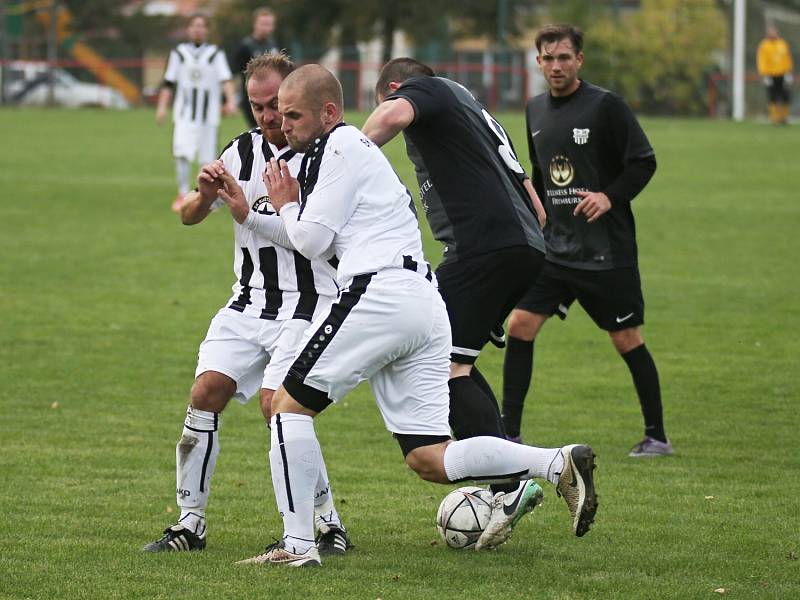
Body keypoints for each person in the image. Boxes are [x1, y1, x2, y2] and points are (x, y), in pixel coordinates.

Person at [233, 64, 597, 567]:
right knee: (429, 456)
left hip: (379, 293)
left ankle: (297, 547)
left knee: (286, 407)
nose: (281, 122)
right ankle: (555, 463)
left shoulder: (340, 147)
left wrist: (285, 204)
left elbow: (311, 240)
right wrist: (253, 214)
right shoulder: (342, 156)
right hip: (421, 301)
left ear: (330, 112)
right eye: (277, 113)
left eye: (292, 114)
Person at [143, 53, 351, 556]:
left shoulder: (329, 158)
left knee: (276, 407)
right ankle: (190, 522)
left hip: (308, 304)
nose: (266, 117)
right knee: (205, 392)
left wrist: (251, 211)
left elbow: (318, 243)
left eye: (275, 106)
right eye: (257, 107)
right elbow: (192, 216)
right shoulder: (240, 151)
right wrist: (202, 192)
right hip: (248, 302)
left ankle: (323, 522)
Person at [361, 58, 550, 537]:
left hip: (481, 248)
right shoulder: (472, 108)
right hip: (519, 246)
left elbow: (390, 118)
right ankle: (507, 468)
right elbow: (538, 209)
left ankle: (509, 483)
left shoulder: (427, 90)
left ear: (398, 86)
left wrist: (342, 159)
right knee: (456, 360)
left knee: (439, 362)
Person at [499, 24, 669, 458]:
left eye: (564, 58)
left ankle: (656, 437)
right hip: (556, 250)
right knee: (520, 325)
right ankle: (508, 434)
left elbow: (643, 162)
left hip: (605, 250)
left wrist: (608, 196)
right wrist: (535, 220)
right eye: (548, 58)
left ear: (579, 60)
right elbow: (541, 174)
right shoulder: (535, 109)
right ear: (538, 62)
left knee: (626, 339)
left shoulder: (605, 106)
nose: (556, 66)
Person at [156, 13, 237, 213]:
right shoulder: (179, 53)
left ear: (207, 30)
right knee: (182, 153)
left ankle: (204, 196)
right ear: (188, 29)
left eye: (202, 26)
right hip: (184, 115)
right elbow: (168, 82)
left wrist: (231, 101)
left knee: (207, 158)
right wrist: (161, 107)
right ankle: (183, 194)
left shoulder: (215, 53)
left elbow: (226, 79)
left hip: (208, 116)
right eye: (194, 26)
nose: (198, 29)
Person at [233, 7, 280, 129]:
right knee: (260, 130)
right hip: (253, 98)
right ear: (255, 24)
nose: (266, 28)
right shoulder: (246, 46)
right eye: (263, 24)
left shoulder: (273, 46)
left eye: (269, 24)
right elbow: (236, 73)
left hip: (275, 97)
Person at [757, 25, 794, 125]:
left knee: (785, 96)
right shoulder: (764, 45)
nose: (772, 34)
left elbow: (787, 58)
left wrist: (789, 72)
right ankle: (775, 118)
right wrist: (764, 74)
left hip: (782, 74)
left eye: (774, 32)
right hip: (770, 75)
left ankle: (784, 117)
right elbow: (762, 60)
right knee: (772, 96)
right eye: (770, 32)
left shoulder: (782, 44)